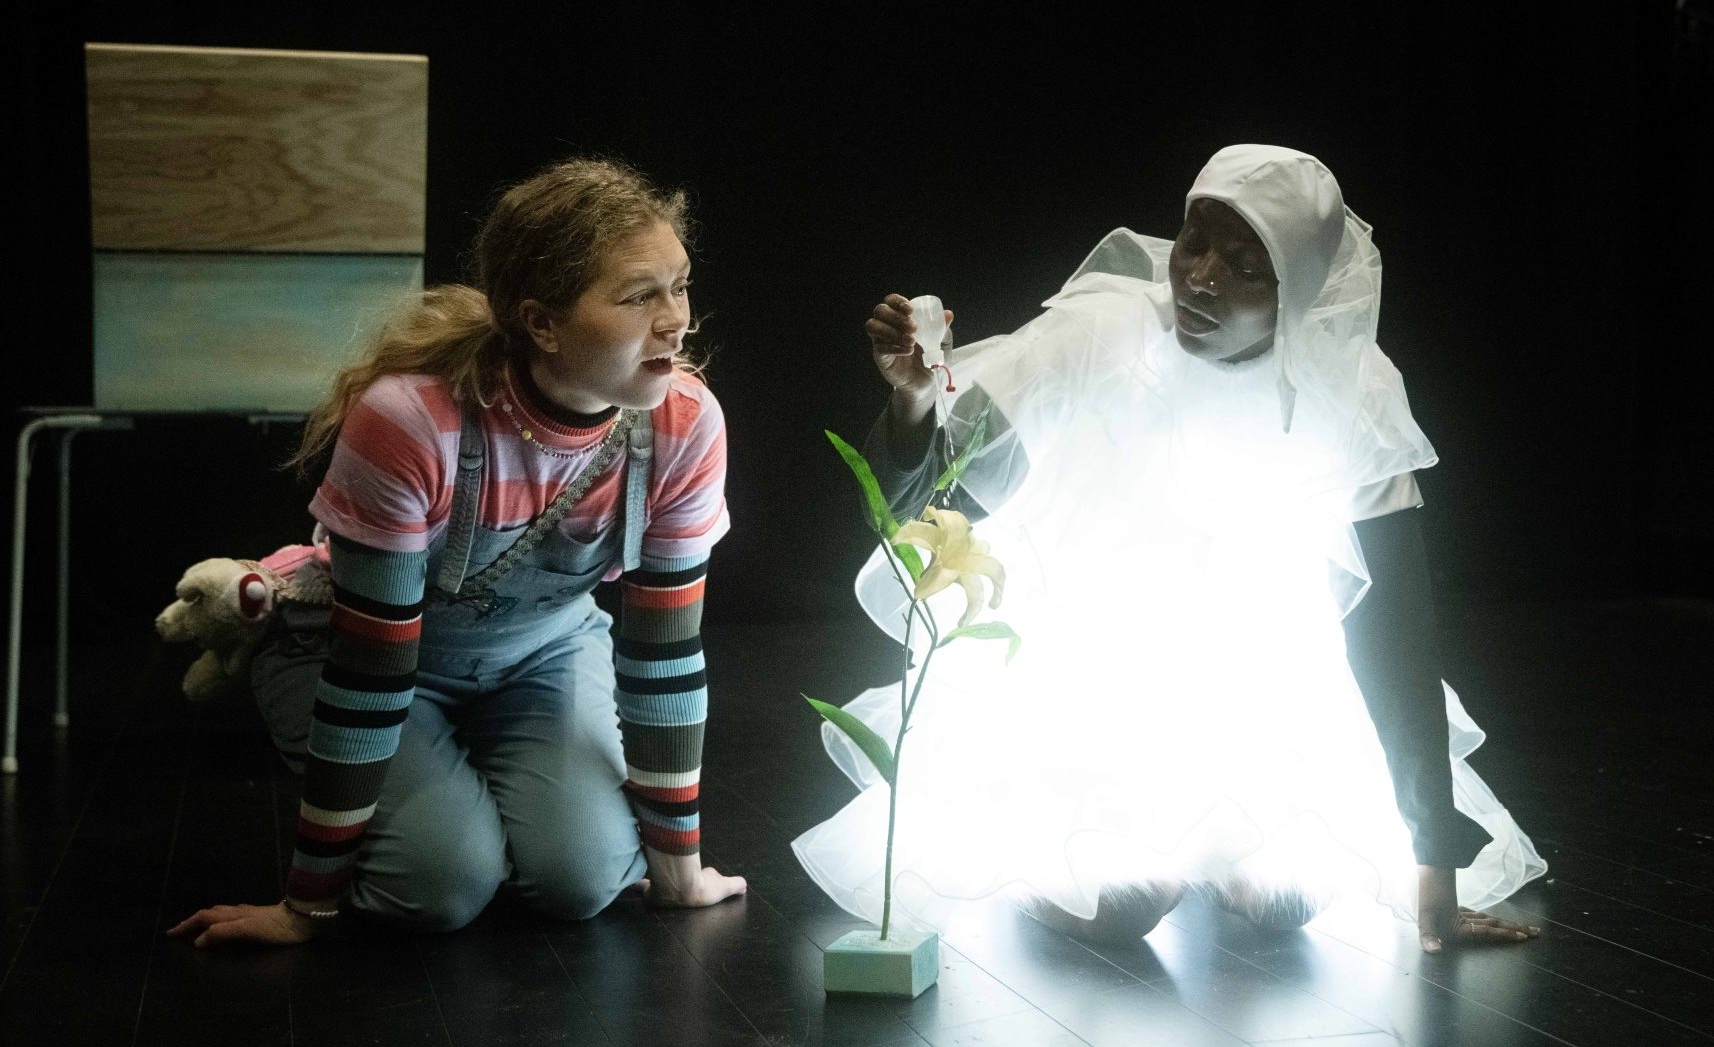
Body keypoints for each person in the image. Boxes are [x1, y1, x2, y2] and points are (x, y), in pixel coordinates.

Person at [793, 145, 1543, 952]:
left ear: (1297, 292)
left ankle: (1213, 859)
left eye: (1246, 266)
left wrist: (1434, 878)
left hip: (1252, 698)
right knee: (1118, 907)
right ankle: (1084, 866)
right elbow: (913, 501)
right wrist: (913, 399)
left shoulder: (1350, 389)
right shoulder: (1102, 333)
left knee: (1287, 903)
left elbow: (1395, 634)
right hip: (1097, 689)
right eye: (1195, 242)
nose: (1202, 279)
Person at [169, 159, 746, 947]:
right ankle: (431, 787)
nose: (677, 321)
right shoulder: (410, 421)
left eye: (679, 287)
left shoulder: (685, 424)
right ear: (541, 323)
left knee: (581, 881)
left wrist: (679, 876)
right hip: (365, 656)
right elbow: (371, 672)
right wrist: (307, 906)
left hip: (540, 655)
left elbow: (664, 658)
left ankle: (468, 776)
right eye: (639, 296)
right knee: (439, 886)